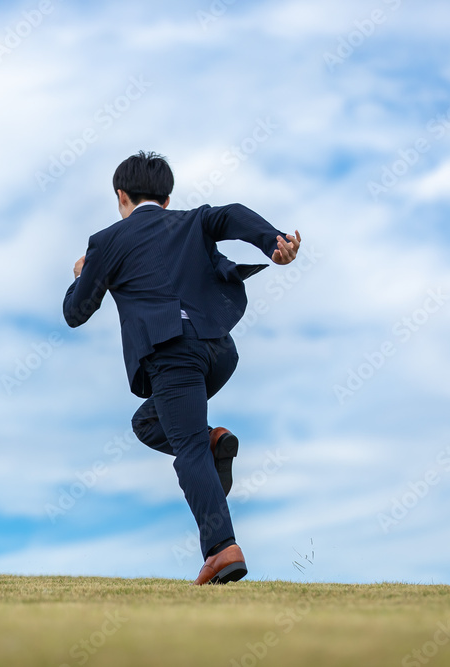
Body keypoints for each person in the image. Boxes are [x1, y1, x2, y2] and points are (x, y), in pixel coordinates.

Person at [62, 151, 301, 584]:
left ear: (121, 196)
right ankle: (213, 442)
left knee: (186, 447)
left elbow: (76, 312)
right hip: (218, 351)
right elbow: (230, 214)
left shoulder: (108, 241)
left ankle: (222, 549)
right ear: (167, 198)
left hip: (172, 353)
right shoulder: (192, 221)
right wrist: (273, 241)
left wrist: (84, 273)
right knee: (148, 423)